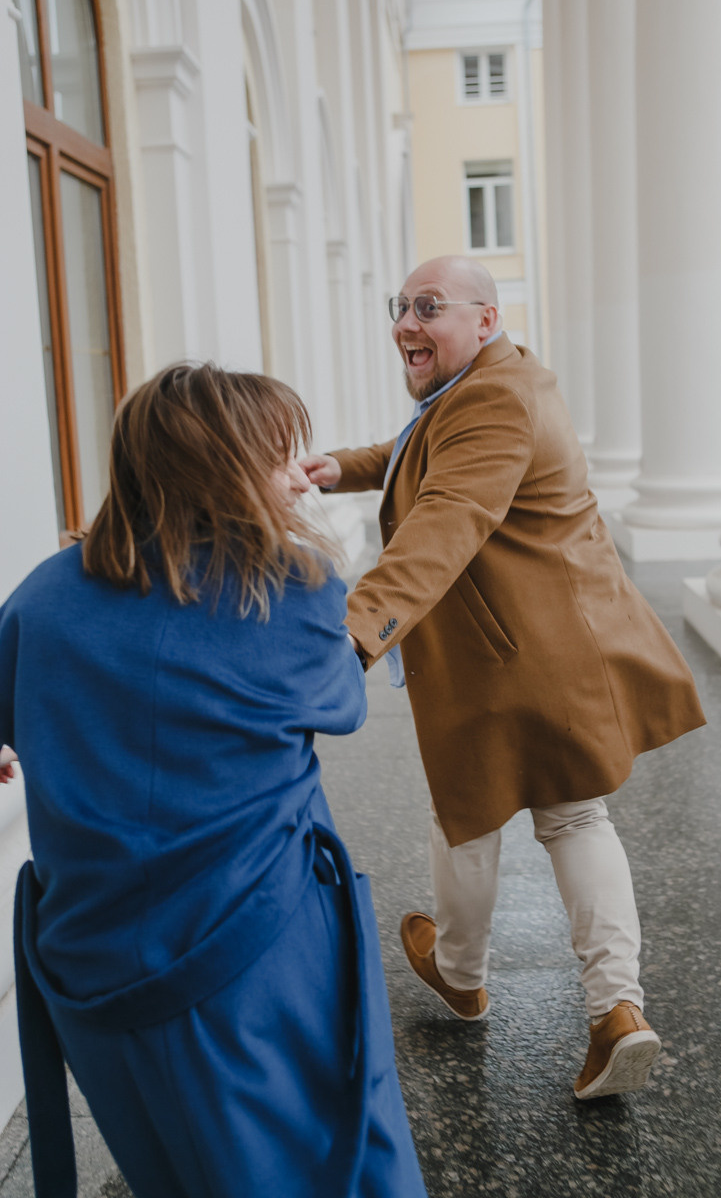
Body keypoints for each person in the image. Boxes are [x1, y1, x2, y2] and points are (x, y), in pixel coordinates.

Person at [0, 363, 428, 1198]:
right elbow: (338, 702)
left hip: (91, 958)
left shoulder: (44, 596)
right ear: (216, 470)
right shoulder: (285, 591)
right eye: (275, 458)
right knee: (319, 1159)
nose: (294, 479)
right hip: (251, 953)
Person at [301, 254, 706, 1101]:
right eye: (400, 305)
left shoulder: (488, 398)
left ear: (484, 320)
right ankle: (615, 1011)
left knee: (469, 810)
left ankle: (460, 972)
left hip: (506, 652)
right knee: (569, 814)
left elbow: (446, 517)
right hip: (555, 639)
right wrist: (343, 466)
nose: (407, 323)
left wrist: (349, 636)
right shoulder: (485, 382)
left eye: (430, 307)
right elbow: (420, 451)